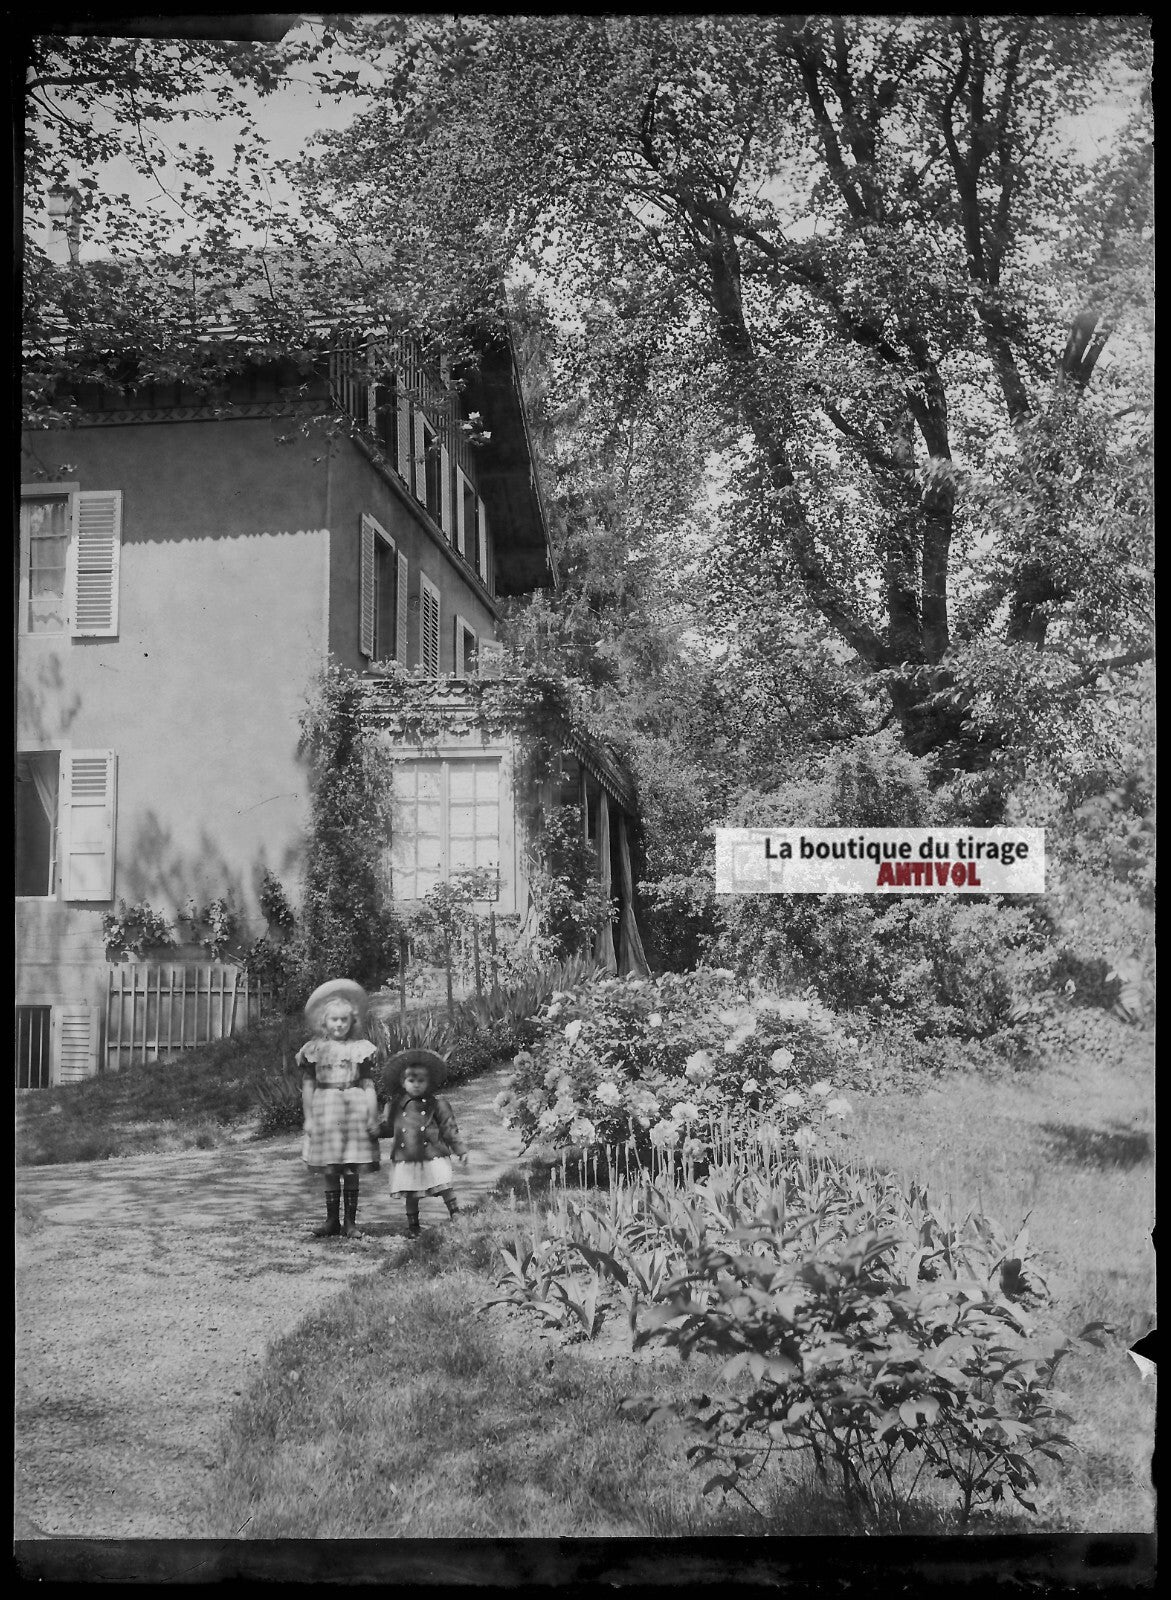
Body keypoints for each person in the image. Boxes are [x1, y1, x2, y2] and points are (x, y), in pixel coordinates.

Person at [298, 978, 381, 1238]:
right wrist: (309, 1118)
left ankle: (350, 1222)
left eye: (344, 1020)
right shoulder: (315, 1049)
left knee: (351, 1165)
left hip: (353, 1109)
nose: (339, 1025)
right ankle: (331, 1220)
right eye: (334, 1020)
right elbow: (309, 1085)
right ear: (324, 1022)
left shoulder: (359, 1049)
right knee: (332, 1166)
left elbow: (368, 1084)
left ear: (351, 1021)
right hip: (326, 1110)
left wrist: (372, 1114)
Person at [381, 1048, 467, 1238]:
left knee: (443, 1183)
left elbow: (448, 1127)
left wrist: (459, 1149)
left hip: (432, 1152)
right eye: (411, 1081)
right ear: (403, 1083)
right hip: (408, 1155)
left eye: (421, 1081)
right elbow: (389, 1128)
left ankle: (456, 1213)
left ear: (429, 1083)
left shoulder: (437, 1105)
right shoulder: (396, 1107)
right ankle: (413, 1225)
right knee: (411, 1191)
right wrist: (373, 1131)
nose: (417, 1085)